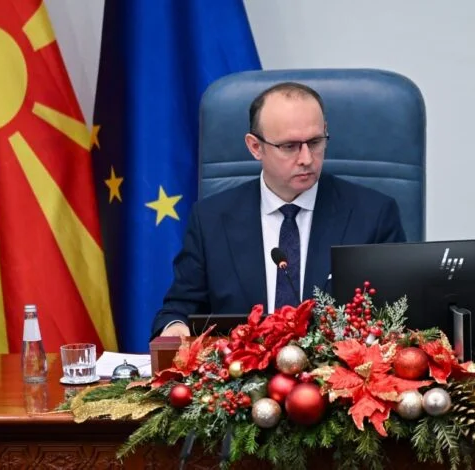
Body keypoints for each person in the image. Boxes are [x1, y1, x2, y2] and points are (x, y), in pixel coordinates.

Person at [152, 82, 406, 338]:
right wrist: (175, 328)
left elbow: (398, 317)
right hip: (240, 362)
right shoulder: (210, 219)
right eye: (289, 146)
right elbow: (180, 309)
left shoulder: (373, 215)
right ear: (255, 147)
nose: (306, 158)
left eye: (315, 142)